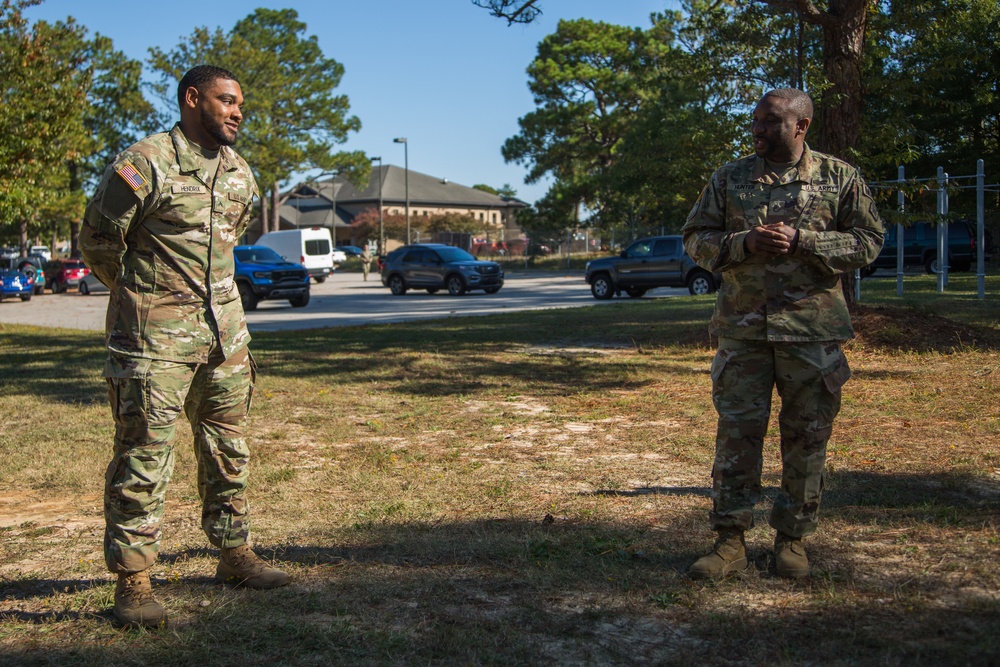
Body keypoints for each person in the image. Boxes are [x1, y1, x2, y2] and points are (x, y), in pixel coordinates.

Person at [80, 65, 289, 628]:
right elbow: (98, 240)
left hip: (226, 337)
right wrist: (141, 301)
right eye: (226, 101)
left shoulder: (239, 172)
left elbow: (226, 247)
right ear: (193, 100)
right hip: (153, 342)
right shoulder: (146, 162)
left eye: (240, 103)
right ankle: (134, 582)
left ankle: (234, 554)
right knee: (145, 457)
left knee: (229, 450)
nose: (238, 112)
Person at [681, 88, 884, 580]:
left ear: (801, 126)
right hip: (743, 332)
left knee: (807, 437)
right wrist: (742, 241)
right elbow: (693, 238)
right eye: (754, 121)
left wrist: (805, 241)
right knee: (737, 438)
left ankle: (793, 541)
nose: (756, 131)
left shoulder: (839, 177)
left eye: (769, 122)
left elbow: (869, 242)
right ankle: (729, 543)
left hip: (811, 334)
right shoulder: (729, 177)